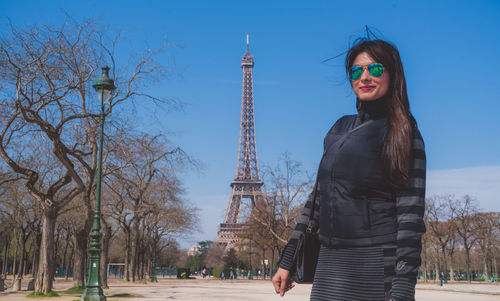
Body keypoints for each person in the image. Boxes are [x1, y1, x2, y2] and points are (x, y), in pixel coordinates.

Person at [272, 38, 426, 301]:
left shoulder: (403, 133)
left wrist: (402, 288)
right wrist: (288, 259)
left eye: (375, 69)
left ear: (392, 74)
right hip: (330, 263)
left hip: (377, 264)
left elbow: (410, 216)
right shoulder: (339, 128)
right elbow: (316, 202)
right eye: (357, 71)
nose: (364, 77)